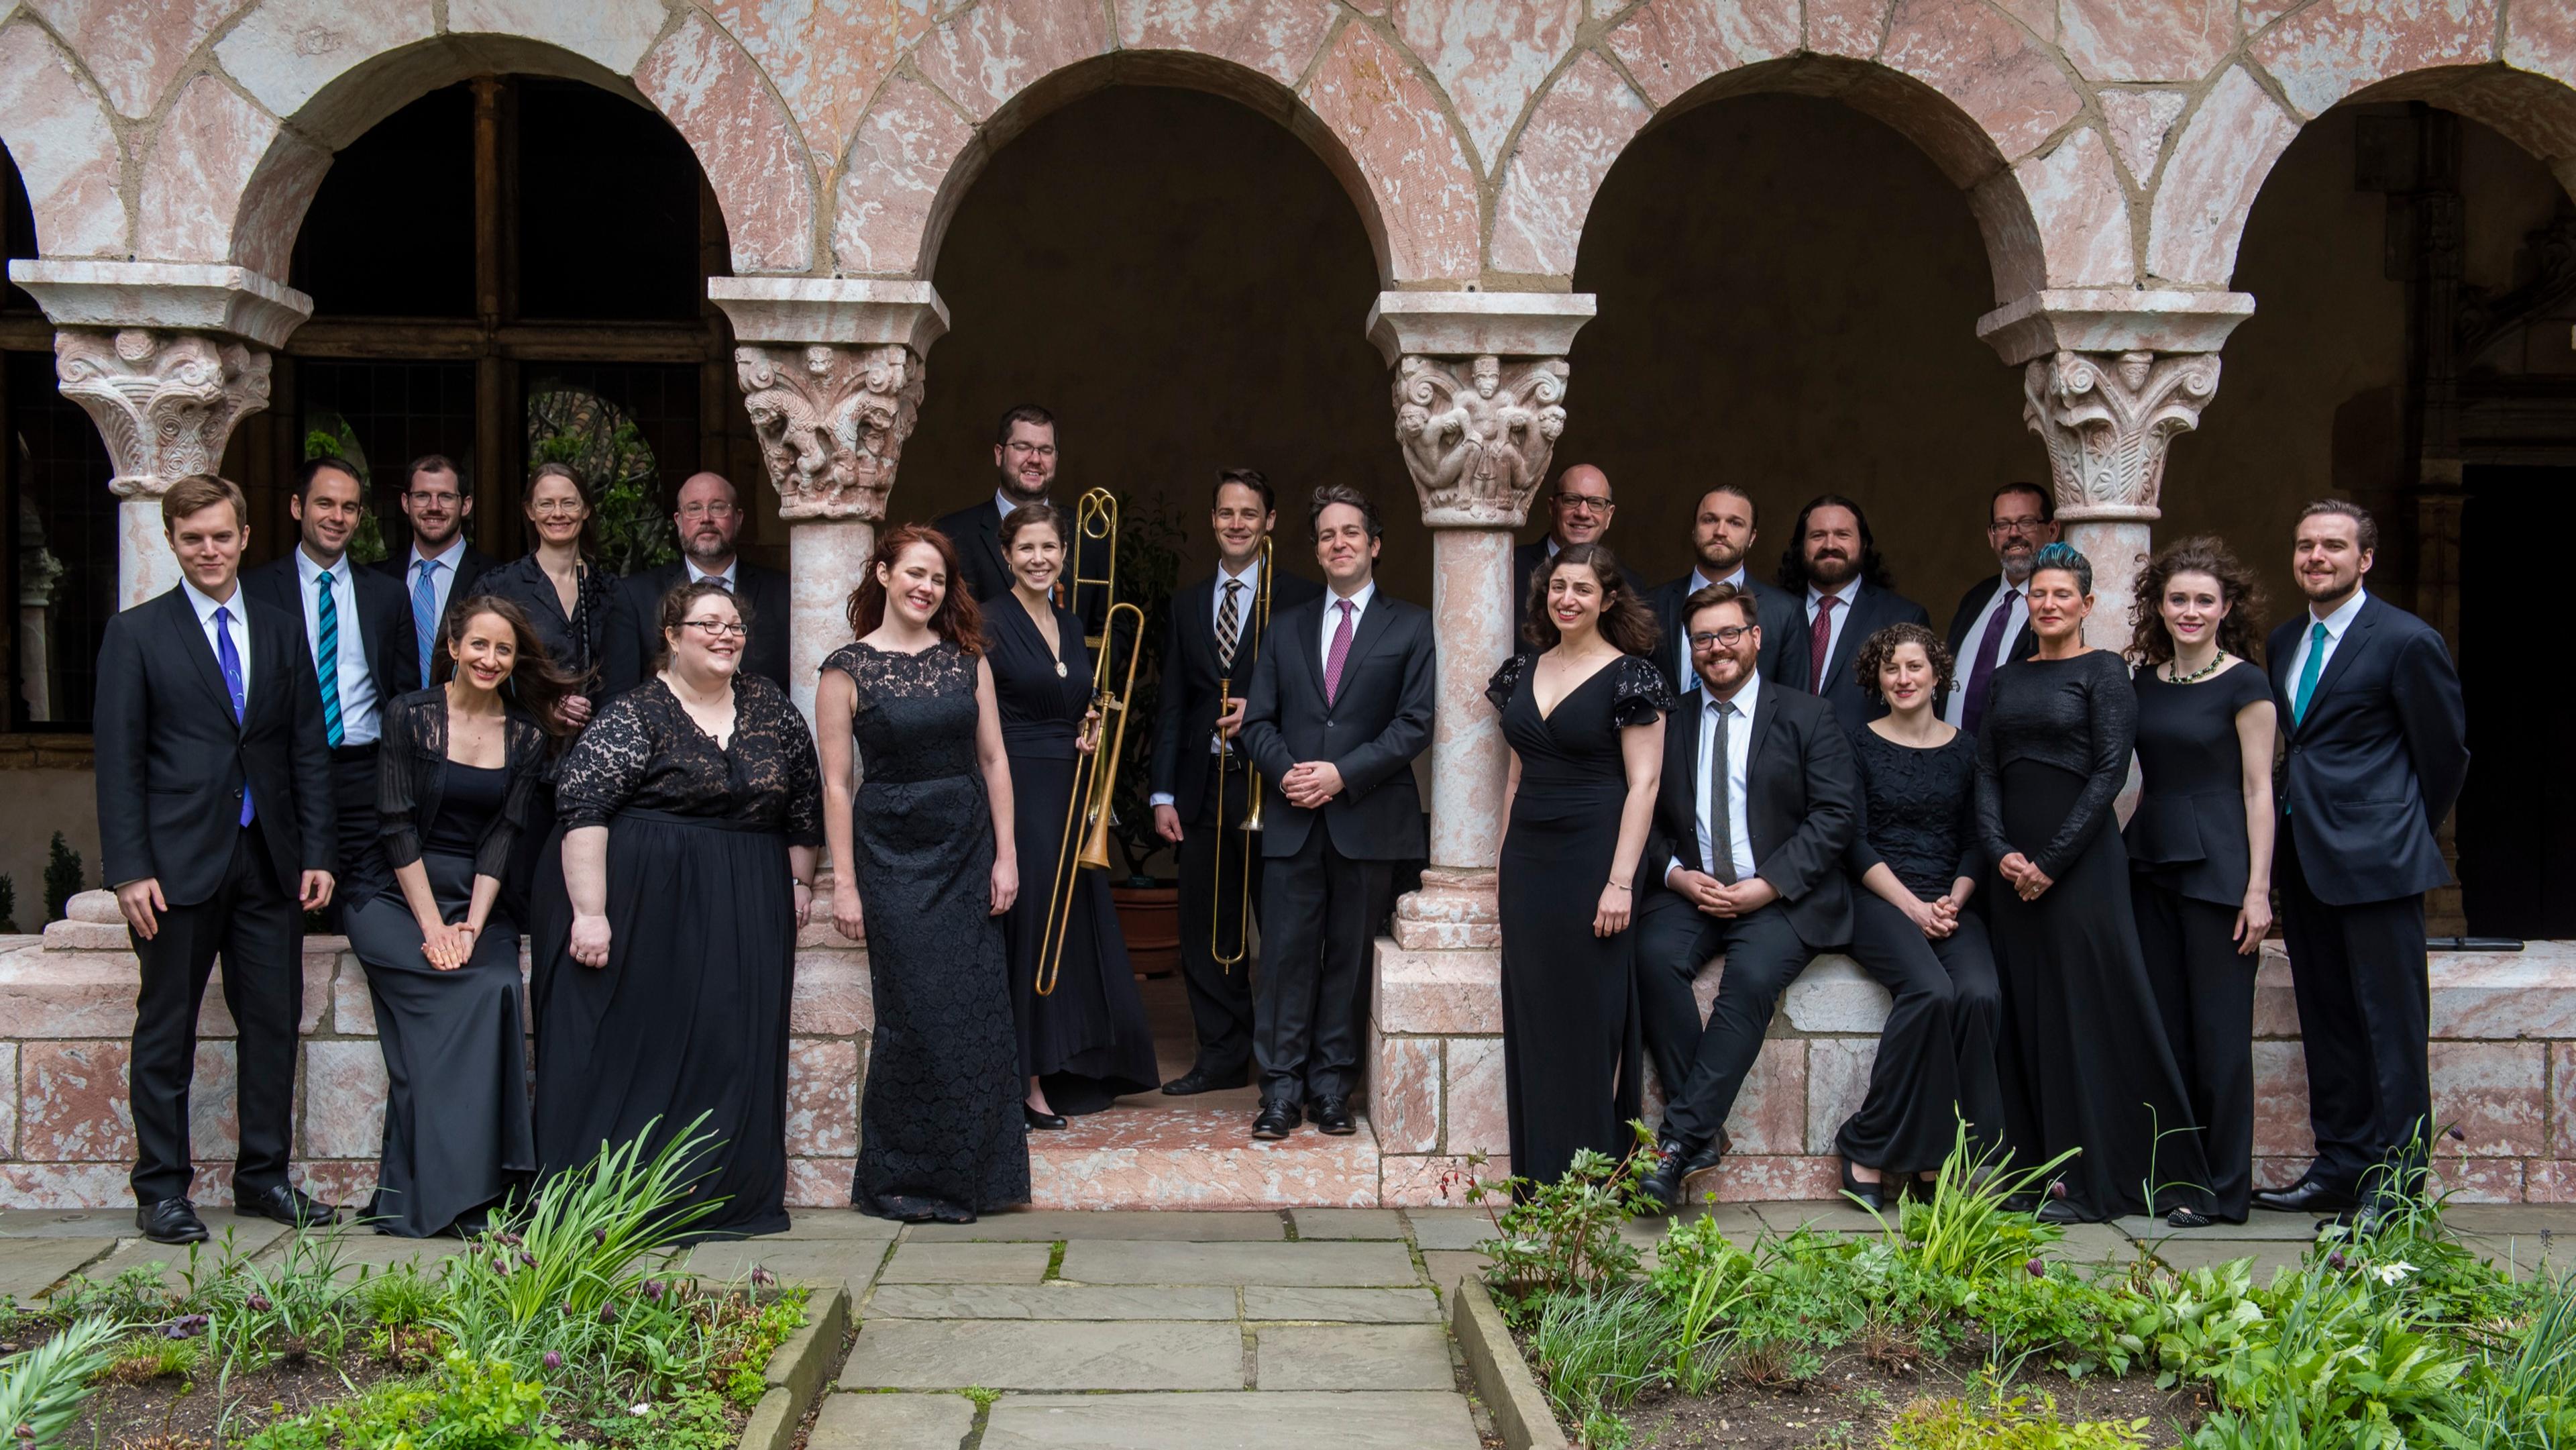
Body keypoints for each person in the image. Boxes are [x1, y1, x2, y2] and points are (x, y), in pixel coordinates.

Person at [533, 580, 822, 1240]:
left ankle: (723, 1193)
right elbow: (583, 807)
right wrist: (590, 912)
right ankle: (625, 1194)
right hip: (646, 902)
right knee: (649, 1043)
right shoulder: (637, 713)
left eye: (735, 626)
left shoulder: (769, 706)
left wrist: (801, 884)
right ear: (671, 635)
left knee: (733, 1041)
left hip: (750, 895)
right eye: (709, 624)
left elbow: (804, 800)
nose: (727, 635)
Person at [94, 474, 339, 1243]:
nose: (209, 549)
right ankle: (161, 1189)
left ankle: (264, 1177)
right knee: (166, 1030)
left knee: (271, 1024)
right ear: (171, 540)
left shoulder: (278, 627)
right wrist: (130, 867)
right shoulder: (135, 635)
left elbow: (307, 747)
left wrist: (318, 849)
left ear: (245, 536)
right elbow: (118, 761)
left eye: (221, 535)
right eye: (193, 537)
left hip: (268, 861)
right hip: (173, 869)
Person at [1978, 541, 2210, 1225]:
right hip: (2011, 874)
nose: (2048, 604)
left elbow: (2110, 774)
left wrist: (2049, 861)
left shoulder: (2106, 672)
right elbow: (1986, 771)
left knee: (2091, 1013)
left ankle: (2104, 1181)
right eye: (2038, 594)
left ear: (2087, 603)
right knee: (2025, 1017)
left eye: (2061, 594)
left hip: (2080, 870)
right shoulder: (2006, 678)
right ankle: (2036, 1174)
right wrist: (2000, 854)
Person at [2253, 501, 2468, 1228]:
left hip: (2380, 863)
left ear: (2365, 558)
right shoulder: (2285, 640)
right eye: (2306, 544)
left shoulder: (2407, 640)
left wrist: (2398, 827)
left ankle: (2398, 1185)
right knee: (2328, 1019)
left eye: (2334, 546)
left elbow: (2444, 755)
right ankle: (2341, 1167)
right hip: (2306, 861)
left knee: (2391, 1027)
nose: (2317, 556)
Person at [820, 527, 1030, 1223]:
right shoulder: (844, 670)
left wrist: (1007, 855)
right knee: (914, 1018)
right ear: (883, 573)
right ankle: (903, 1181)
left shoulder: (968, 661)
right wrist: (844, 883)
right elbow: (837, 784)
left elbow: (996, 760)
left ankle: (977, 1178)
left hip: (967, 852)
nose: (925, 588)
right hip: (890, 858)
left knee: (976, 1014)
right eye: (913, 573)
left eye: (937, 579)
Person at [346, 597, 575, 1237]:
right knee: (456, 992)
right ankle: (454, 1194)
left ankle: (479, 1192)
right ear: (453, 646)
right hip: (394, 895)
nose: (490, 659)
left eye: (503, 650)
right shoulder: (409, 715)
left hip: (476, 898)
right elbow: (394, 828)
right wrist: (434, 929)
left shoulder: (526, 735)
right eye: (479, 645)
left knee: (497, 982)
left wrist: (471, 926)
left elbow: (503, 835)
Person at [1633, 582, 1859, 1213]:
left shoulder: (1808, 715)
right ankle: (1703, 1130)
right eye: (1704, 638)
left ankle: (1678, 1143)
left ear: (1756, 637)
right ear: (1691, 648)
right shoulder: (1667, 720)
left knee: (1751, 976)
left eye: (1729, 633)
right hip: (1695, 887)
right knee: (1651, 957)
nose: (1717, 648)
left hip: (1782, 895)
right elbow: (1641, 813)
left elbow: (1836, 817)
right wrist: (1675, 874)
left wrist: (1768, 884)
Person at [1238, 484, 1436, 1141]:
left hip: (1370, 824)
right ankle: (1279, 1093)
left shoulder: (1410, 626)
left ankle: (1330, 1090)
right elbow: (1257, 720)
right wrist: (1289, 772)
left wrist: (1341, 774)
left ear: (1375, 544)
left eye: (1351, 532)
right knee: (1285, 962)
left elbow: (1415, 724)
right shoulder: (1286, 625)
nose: (1339, 542)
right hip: (1293, 821)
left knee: (1350, 961)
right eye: (1327, 535)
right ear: (1318, 549)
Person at [1485, 542, 1670, 1190]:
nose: (1568, 599)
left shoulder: (1632, 677)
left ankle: (1589, 1180)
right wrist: (1502, 866)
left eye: (1583, 590)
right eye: (1558, 587)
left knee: (1590, 1017)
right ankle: (1538, 1178)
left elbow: (1643, 786)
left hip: (1596, 856)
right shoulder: (1519, 672)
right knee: (1533, 1012)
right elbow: (1514, 777)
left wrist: (1621, 881)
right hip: (1529, 859)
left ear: (1608, 599)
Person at [1146, 470, 1324, 1094]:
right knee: (1205, 931)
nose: (1238, 523)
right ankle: (1221, 1058)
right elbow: (1171, 702)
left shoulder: (1303, 597)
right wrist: (1162, 791)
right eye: (1227, 513)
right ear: (1213, 519)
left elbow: (1323, 694)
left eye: (1251, 513)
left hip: (1275, 787)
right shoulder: (1188, 603)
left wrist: (1265, 708)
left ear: (1270, 521)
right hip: (1203, 785)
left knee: (1281, 931)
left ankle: (1284, 1063)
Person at [987, 503, 1159, 1123]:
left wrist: (1083, 730)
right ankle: (1024, 1082)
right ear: (1008, 554)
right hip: (1018, 785)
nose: (1039, 558)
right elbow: (985, 721)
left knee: (1075, 923)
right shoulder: (986, 621)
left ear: (1064, 554)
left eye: (1050, 548)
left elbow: (1071, 698)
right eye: (1027, 548)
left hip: (1069, 783)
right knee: (1033, 925)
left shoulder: (1068, 618)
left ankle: (1070, 1064)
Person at [2126, 537, 2276, 1226]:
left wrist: (2259, 889)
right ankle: (2175, 1179)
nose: (2190, 611)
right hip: (2150, 865)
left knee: (2220, 1042)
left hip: (2220, 873)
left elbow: (2258, 790)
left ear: (2227, 607)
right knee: (2167, 1035)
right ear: (2159, 605)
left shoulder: (2247, 683)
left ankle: (2225, 1189)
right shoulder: (2144, 682)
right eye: (2178, 598)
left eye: (2204, 600)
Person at [1833, 623, 2001, 1209]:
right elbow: (1853, 844)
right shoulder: (1855, 743)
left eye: (1914, 667)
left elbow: (1977, 838)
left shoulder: (1968, 747)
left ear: (1937, 674)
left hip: (1949, 897)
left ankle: (1943, 1157)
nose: (1903, 678)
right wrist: (1912, 906)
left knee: (1977, 993)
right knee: (1931, 991)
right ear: (1877, 679)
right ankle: (1866, 1142)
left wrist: (1953, 898)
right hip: (1879, 897)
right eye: (1891, 668)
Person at [241, 455, 421, 921]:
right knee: (285, 909)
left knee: (364, 912)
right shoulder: (253, 590)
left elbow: (404, 696)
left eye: (348, 507)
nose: (336, 517)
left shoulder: (387, 594)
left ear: (360, 517)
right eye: (325, 503)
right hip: (285, 778)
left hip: (365, 777)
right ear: (298, 507)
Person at [600, 472, 792, 694]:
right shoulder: (634, 596)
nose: (706, 518)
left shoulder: (784, 593)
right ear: (678, 521)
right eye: (693, 508)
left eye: (718, 507)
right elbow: (617, 696)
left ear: (739, 518)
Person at [472, 463, 622, 729]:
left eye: (568, 503)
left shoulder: (613, 592)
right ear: (530, 511)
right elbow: (470, 668)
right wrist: (544, 705)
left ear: (585, 510)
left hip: (598, 749)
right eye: (546, 504)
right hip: (520, 743)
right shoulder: (498, 587)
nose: (558, 514)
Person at [1772, 494, 1930, 735]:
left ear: (1864, 545)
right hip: (1782, 762)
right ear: (1801, 546)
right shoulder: (1773, 612)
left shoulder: (1903, 616)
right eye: (1817, 536)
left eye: (1842, 535)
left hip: (1863, 764)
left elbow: (1918, 713)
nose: (1830, 545)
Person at [1645, 484, 1795, 690]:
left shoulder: (1786, 611)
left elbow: (1794, 704)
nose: (1720, 532)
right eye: (1710, 520)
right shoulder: (1651, 603)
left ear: (1752, 537)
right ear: (1694, 529)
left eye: (1735, 523)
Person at [1943, 483, 2057, 736]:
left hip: (2015, 766)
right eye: (2003, 525)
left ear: (2052, 530)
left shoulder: (2060, 608)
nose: (2013, 534)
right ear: (1992, 536)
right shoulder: (1975, 599)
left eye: (2026, 522)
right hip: (1952, 763)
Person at [376, 454, 498, 690]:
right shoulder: (378, 581)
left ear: (466, 505)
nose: (434, 507)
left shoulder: (496, 577)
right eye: (422, 496)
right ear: (405, 503)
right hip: (391, 721)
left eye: (446, 497)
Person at [934, 404, 1062, 607]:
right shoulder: (952, 534)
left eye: (1046, 450)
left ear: (1056, 458)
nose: (1035, 459)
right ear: (999, 455)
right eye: (1022, 447)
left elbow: (1115, 628)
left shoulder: (1092, 534)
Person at [1511, 466, 1645, 637]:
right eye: (1572, 500)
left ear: (1609, 516)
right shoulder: (1511, 568)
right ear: (1552, 508)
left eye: (1596, 503)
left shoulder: (1630, 584)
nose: (1583, 513)